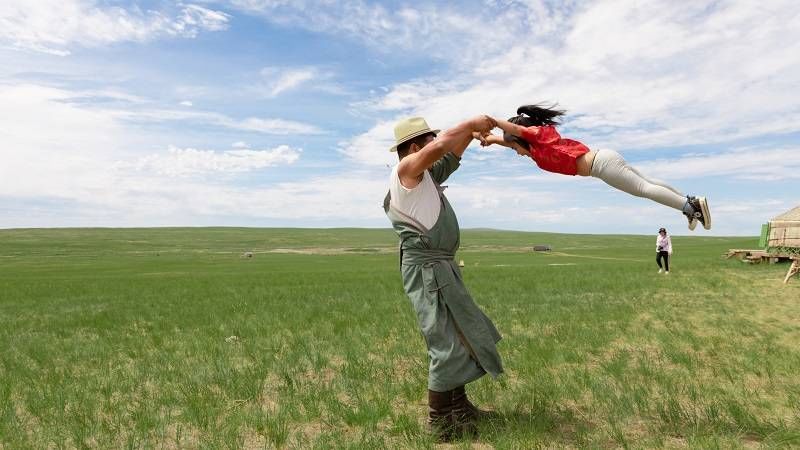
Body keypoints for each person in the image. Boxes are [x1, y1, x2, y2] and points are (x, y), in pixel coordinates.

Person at [383, 115, 503, 442]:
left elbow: (451, 156)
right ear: (414, 147)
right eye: (429, 140)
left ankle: (459, 408)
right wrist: (471, 123)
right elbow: (441, 148)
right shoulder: (406, 173)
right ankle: (440, 421)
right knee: (444, 342)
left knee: (460, 334)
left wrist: (471, 135)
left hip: (440, 268)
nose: (435, 144)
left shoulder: (425, 178)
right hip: (426, 271)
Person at [477, 104, 712, 231]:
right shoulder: (535, 149)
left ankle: (689, 206)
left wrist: (495, 121)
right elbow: (511, 141)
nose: (516, 153)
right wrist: (486, 137)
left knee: (643, 189)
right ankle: (689, 202)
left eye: (516, 148)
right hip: (604, 158)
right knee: (648, 183)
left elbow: (518, 133)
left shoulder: (538, 136)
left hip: (601, 165)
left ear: (522, 140)